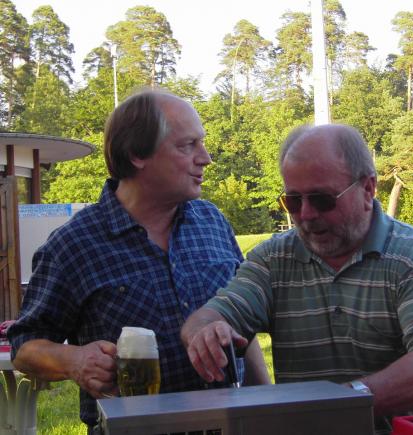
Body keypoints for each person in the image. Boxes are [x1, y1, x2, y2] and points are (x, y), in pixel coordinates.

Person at [9, 89, 269, 432]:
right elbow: (24, 346)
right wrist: (73, 360)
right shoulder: (74, 244)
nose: (205, 158)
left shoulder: (213, 222)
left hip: (225, 426)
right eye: (187, 145)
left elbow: (241, 326)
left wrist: (266, 403)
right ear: (136, 154)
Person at [181, 123, 413, 433]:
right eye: (292, 201)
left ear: (368, 189)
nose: (305, 215)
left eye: (322, 200)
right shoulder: (273, 260)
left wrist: (337, 403)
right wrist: (204, 333)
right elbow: (209, 317)